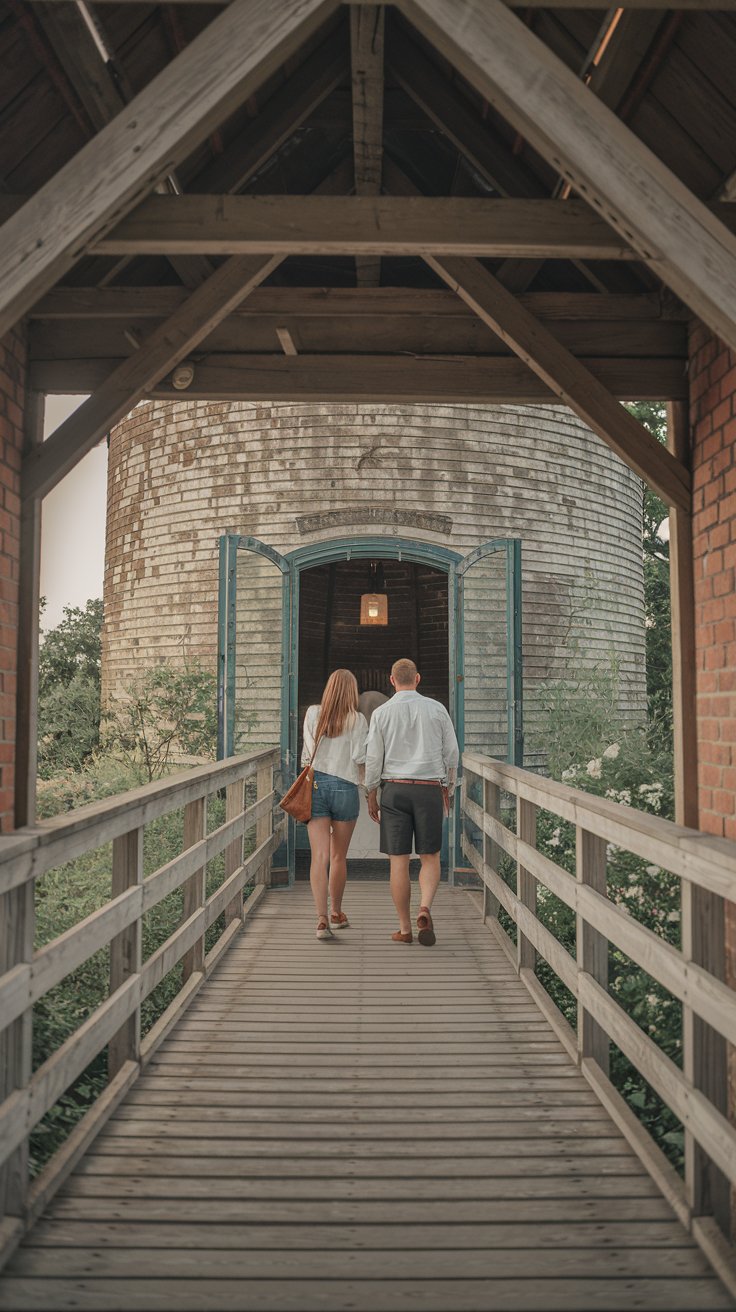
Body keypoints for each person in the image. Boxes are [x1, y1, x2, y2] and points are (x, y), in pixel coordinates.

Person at [364, 658, 459, 947]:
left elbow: (373, 758)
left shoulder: (381, 713)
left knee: (399, 862)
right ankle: (425, 908)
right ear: (418, 679)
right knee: (430, 857)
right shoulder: (437, 709)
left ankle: (405, 929)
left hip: (395, 789)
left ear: (392, 681)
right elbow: (452, 754)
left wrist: (371, 792)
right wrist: (448, 788)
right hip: (429, 788)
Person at [301, 669, 368, 941]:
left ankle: (321, 920)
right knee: (339, 856)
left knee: (319, 856)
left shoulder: (313, 714)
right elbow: (360, 756)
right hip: (345, 787)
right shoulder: (358, 719)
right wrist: (369, 788)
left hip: (316, 786)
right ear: (352, 691)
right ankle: (337, 913)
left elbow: (307, 753)